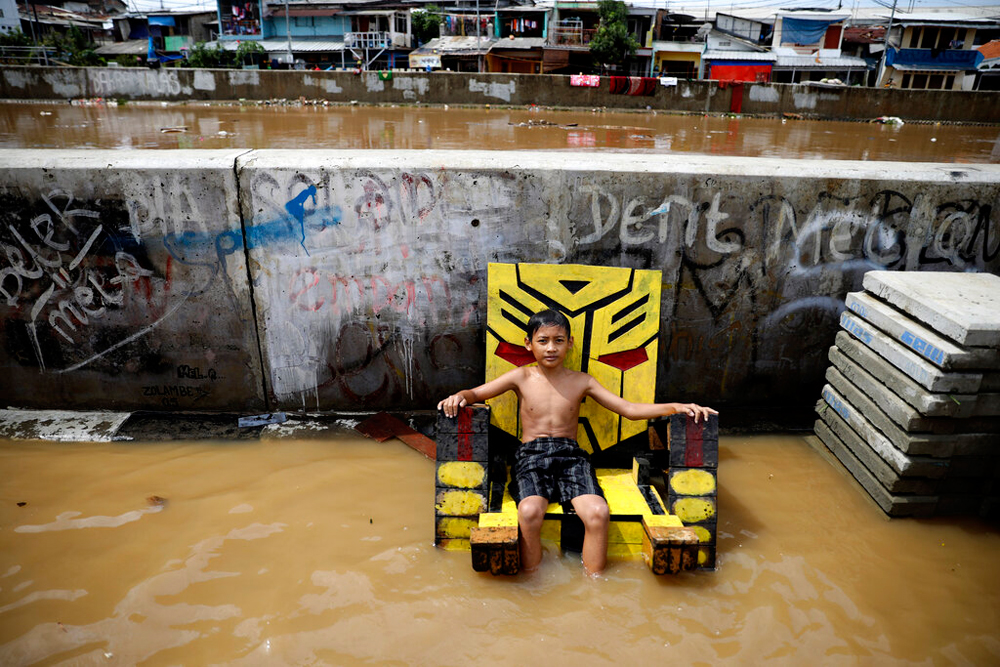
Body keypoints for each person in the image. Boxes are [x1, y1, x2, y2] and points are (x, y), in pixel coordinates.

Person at [438, 309, 716, 576]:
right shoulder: (521, 376)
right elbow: (475, 393)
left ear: (569, 343)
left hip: (571, 456)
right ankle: (533, 580)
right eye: (543, 341)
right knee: (529, 511)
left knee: (598, 512)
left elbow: (629, 410)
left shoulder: (582, 381)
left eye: (558, 341)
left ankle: (594, 584)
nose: (551, 348)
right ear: (528, 344)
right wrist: (458, 396)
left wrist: (677, 407)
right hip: (531, 456)